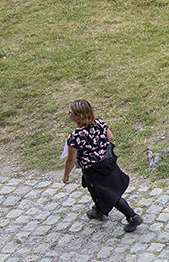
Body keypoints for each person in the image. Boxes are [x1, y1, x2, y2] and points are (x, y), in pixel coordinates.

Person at [61, 99, 143, 233]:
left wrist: (66, 175)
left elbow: (71, 159)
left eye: (70, 112)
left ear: (78, 116)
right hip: (107, 163)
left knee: (109, 194)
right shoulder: (98, 122)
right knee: (95, 190)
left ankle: (132, 216)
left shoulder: (75, 137)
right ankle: (99, 210)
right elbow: (110, 136)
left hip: (93, 170)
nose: (68, 114)